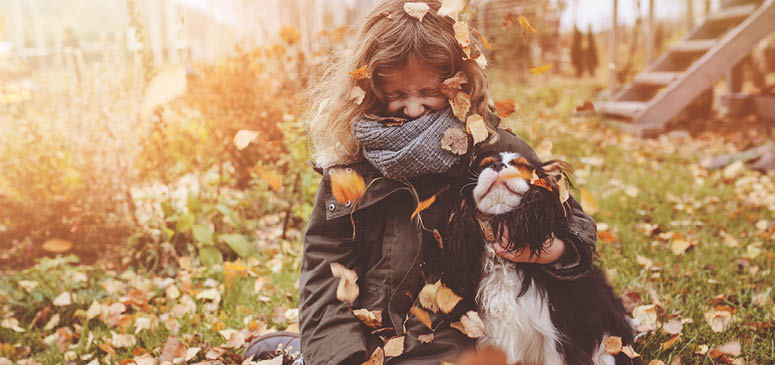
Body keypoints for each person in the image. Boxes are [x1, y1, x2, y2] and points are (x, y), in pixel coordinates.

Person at [244, 0, 597, 364]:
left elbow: (577, 226)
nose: (413, 109)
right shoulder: (351, 163)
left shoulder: (494, 151)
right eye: (397, 95)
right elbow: (325, 261)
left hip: (452, 344)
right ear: (370, 87)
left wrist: (554, 248)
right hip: (362, 340)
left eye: (428, 92)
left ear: (460, 82)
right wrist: (339, 355)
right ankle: (308, 352)